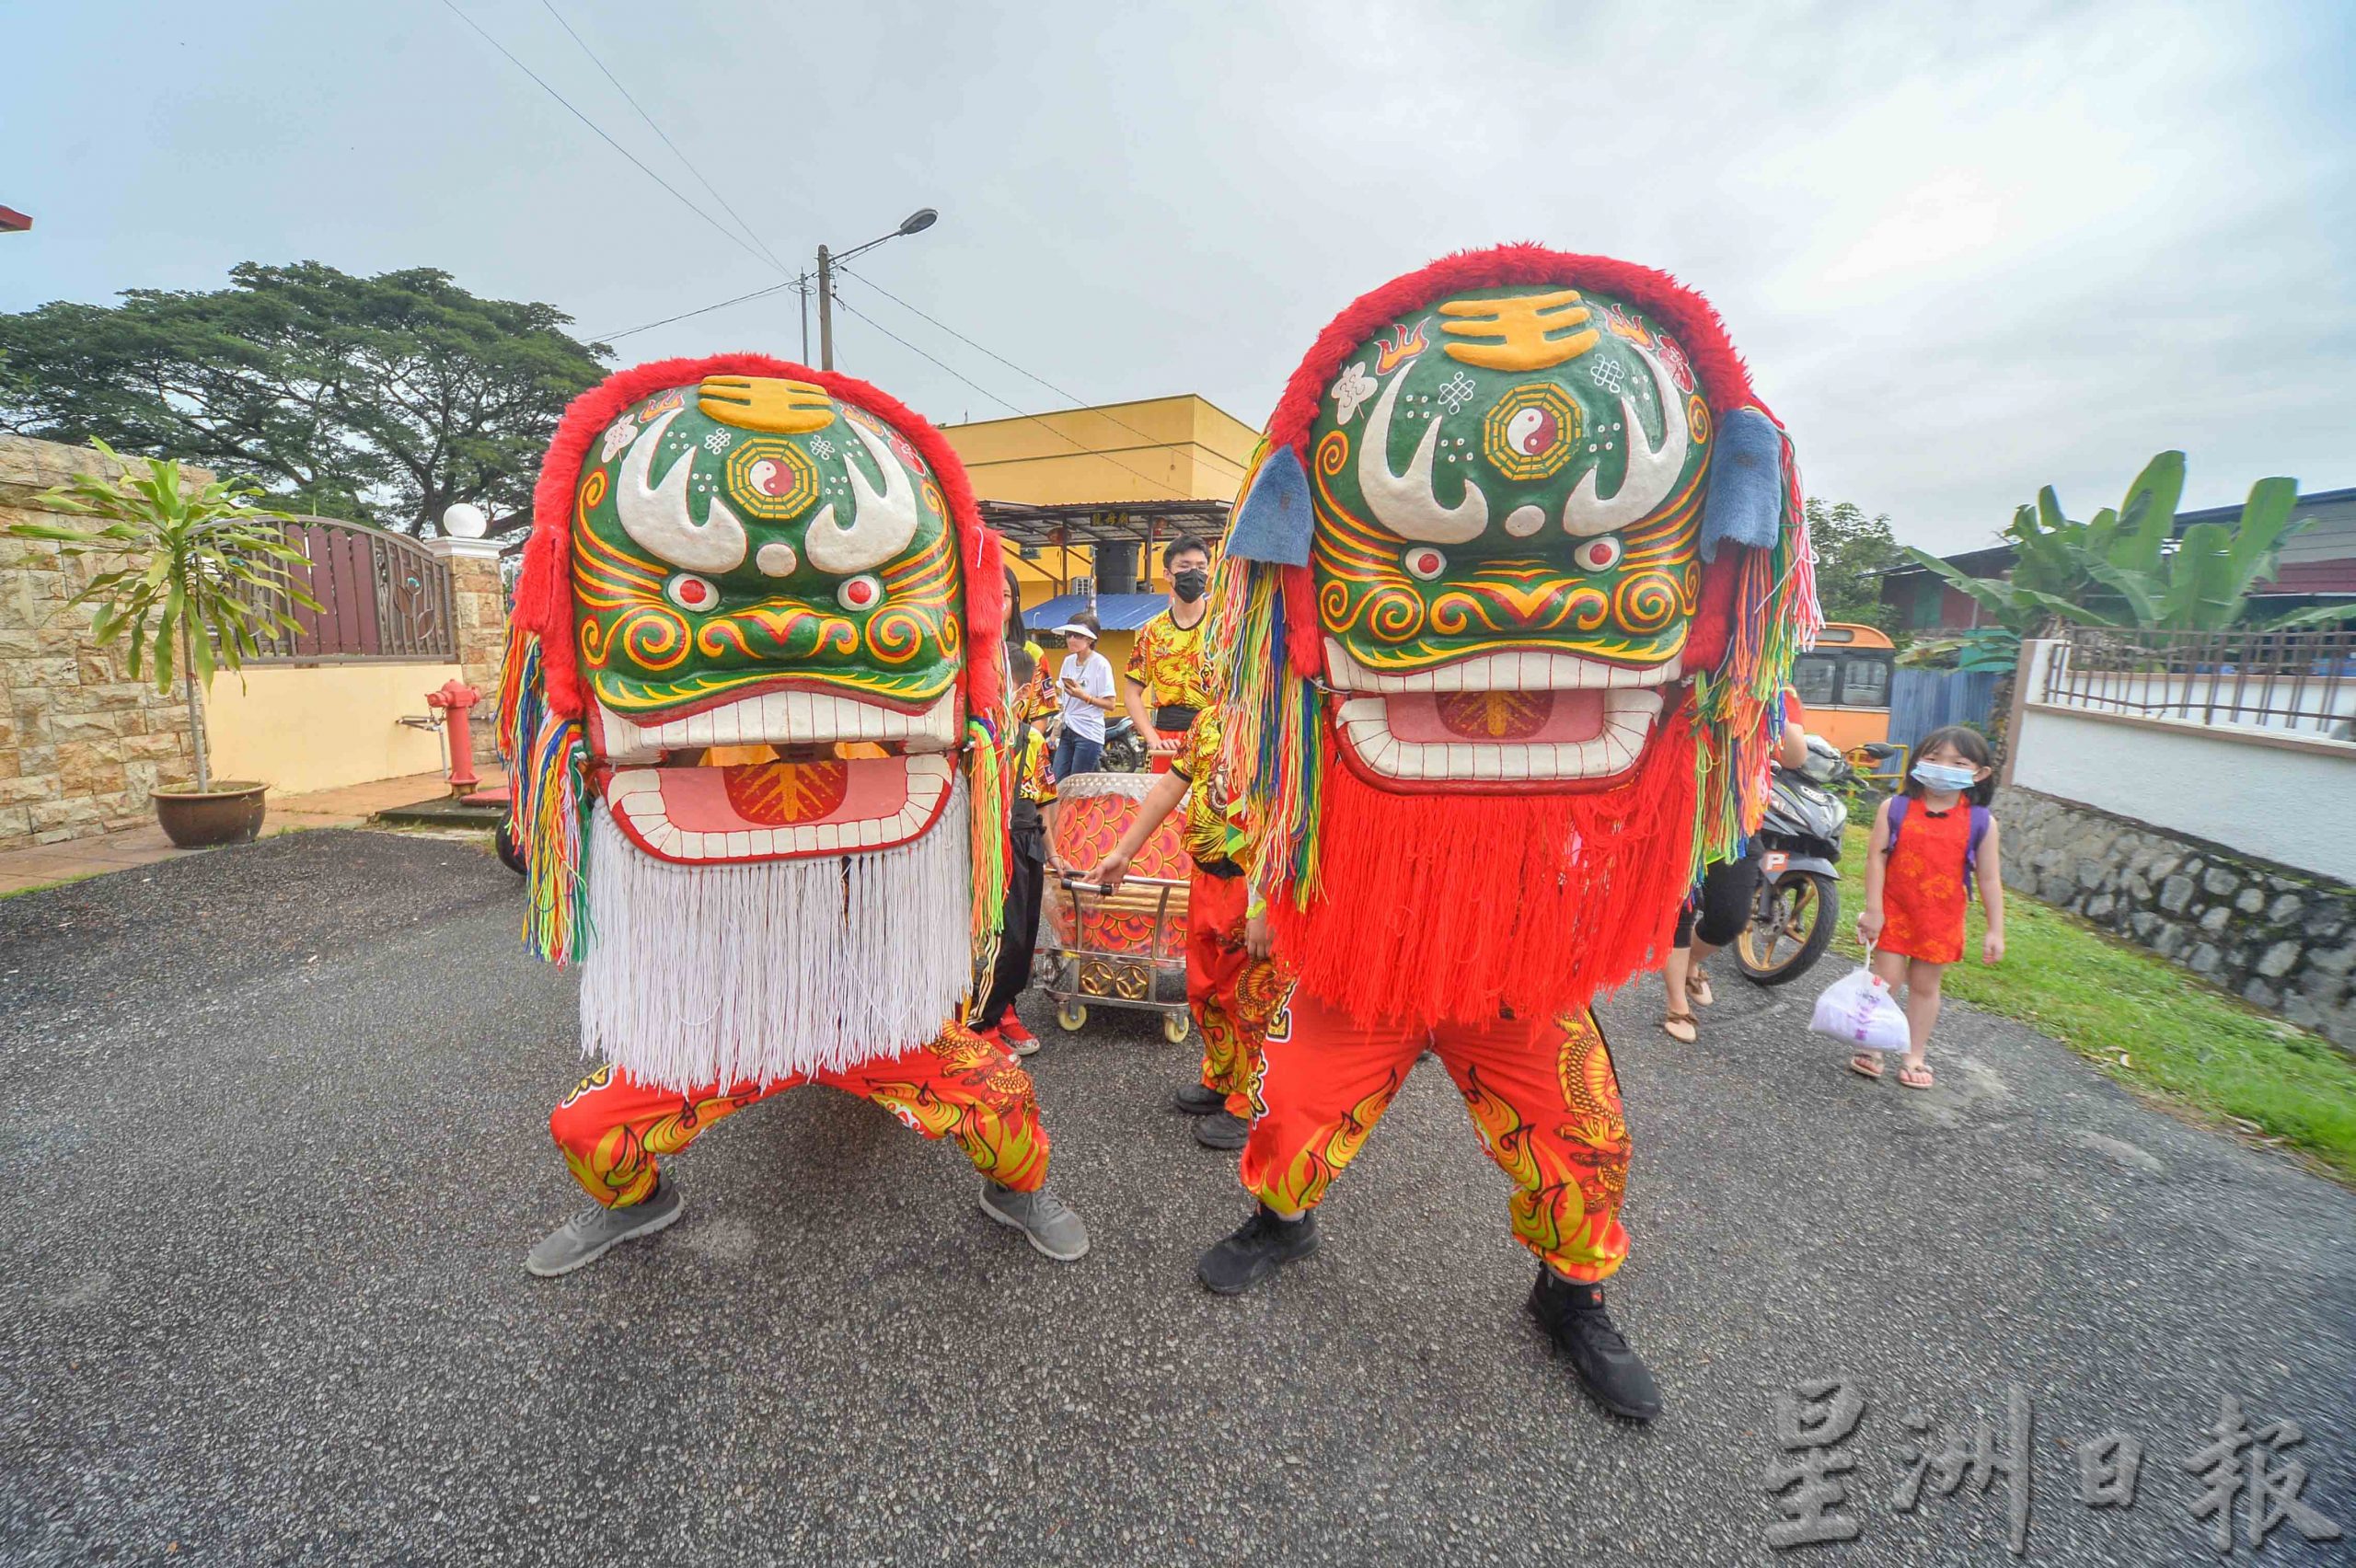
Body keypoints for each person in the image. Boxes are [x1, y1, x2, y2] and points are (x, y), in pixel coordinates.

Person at [1193, 247, 1819, 1423]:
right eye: (1427, 560)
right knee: (1294, 1117)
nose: (1517, 608)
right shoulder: (1297, 692)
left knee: (1586, 1138)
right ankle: (1284, 1221)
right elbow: (1273, 777)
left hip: (1524, 968)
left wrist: (1719, 855)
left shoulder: (1645, 694)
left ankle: (1569, 1296)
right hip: (1358, 959)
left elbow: (1722, 716)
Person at [497, 356, 1089, 1275]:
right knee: (587, 1132)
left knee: (1004, 1104)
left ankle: (1015, 1192)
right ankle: (641, 1207)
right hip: (731, 1010)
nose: (780, 636)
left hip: (875, 1004)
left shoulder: (895, 732)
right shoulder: (677, 734)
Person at [1087, 693, 1277, 1151]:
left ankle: (1248, 1102)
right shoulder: (1209, 720)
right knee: (1205, 990)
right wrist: (1123, 852)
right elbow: (1170, 788)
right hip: (1206, 880)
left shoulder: (1286, 724)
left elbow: (1294, 821)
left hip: (1251, 885)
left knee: (1249, 1002)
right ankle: (1221, 1076)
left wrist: (1264, 904)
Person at [1852, 725, 2005, 1090]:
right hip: (1895, 910)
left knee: (1925, 986)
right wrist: (1873, 910)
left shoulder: (1982, 822)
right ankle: (1873, 1046)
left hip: (1941, 917)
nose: (1942, 767)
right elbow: (1877, 859)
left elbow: (1988, 879)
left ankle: (1914, 1054)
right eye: (1933, 759)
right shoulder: (1895, 808)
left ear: (1980, 773)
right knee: (1886, 979)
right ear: (1917, 762)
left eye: (1958, 762)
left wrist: (1995, 929)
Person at [1661, 687, 1811, 1043]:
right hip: (1675, 812)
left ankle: (1692, 963)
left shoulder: (1775, 690)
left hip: (1735, 823)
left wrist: (1771, 697)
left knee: (1729, 918)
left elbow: (1794, 757)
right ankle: (1676, 1004)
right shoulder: (1681, 681)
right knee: (1678, 911)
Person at [975, 641, 1057, 1058]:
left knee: (1024, 937)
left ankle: (1006, 1008)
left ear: (1021, 694)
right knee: (996, 937)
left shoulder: (1034, 741)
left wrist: (1054, 852)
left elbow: (1045, 800)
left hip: (1027, 845)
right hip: (991, 847)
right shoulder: (975, 742)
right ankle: (982, 1023)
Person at [1121, 535, 1217, 772]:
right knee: (1163, 808)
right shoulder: (1153, 631)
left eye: (1200, 567)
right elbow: (1132, 694)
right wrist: (1153, 738)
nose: (1194, 573)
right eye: (1184, 566)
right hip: (1167, 742)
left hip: (1215, 736)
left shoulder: (1224, 624)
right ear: (1167, 574)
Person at [1049, 614, 1117, 779]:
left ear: (1090, 639)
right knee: (1058, 781)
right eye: (1069, 635)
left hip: (1088, 733)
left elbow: (1110, 704)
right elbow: (1062, 697)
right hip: (1067, 728)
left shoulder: (1100, 664)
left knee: (1078, 784)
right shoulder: (1068, 661)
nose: (1071, 639)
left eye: (1077, 635)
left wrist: (1085, 697)